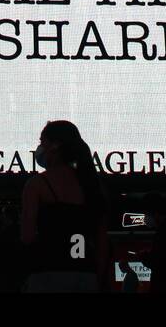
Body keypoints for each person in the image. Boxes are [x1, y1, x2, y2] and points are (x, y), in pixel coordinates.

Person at [20, 120, 106, 292]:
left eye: (41, 142)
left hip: (48, 273)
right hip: (86, 274)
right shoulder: (92, 185)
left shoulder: (38, 184)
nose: (39, 147)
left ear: (55, 146)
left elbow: (27, 237)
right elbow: (101, 240)